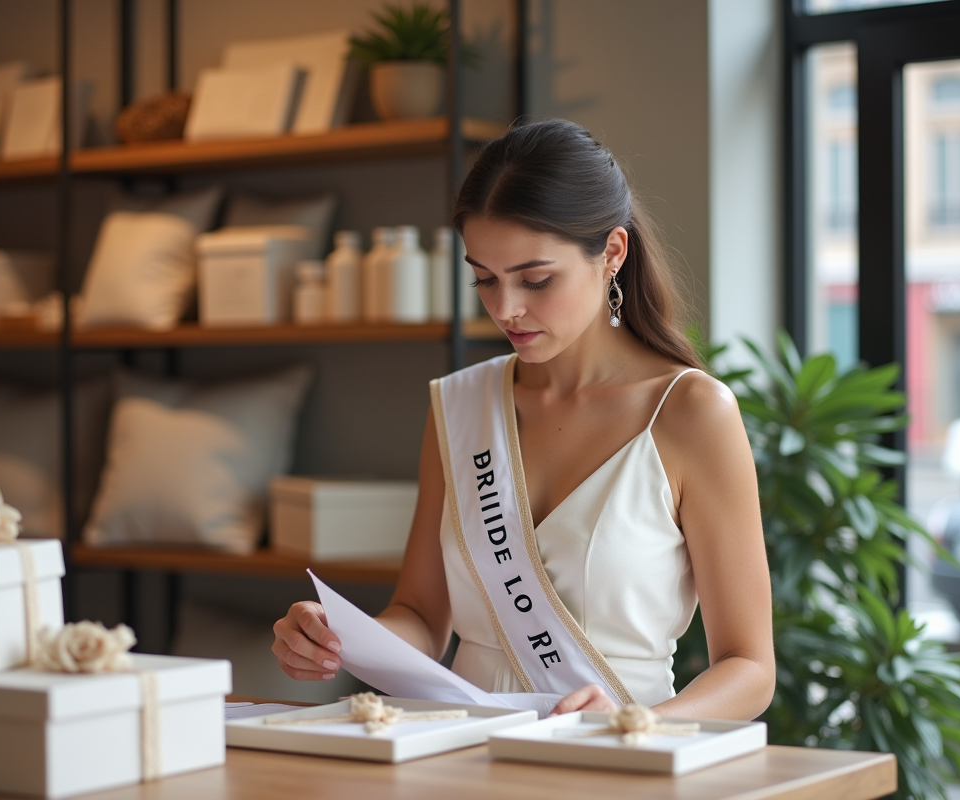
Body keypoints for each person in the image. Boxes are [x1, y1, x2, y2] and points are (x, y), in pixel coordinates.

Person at [273, 119, 775, 718]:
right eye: (484, 278)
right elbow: (423, 618)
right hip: (464, 754)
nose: (506, 309)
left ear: (612, 253)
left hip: (618, 762)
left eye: (536, 280)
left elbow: (749, 667)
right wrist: (338, 637)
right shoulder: (459, 406)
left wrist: (635, 726)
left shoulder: (690, 413)